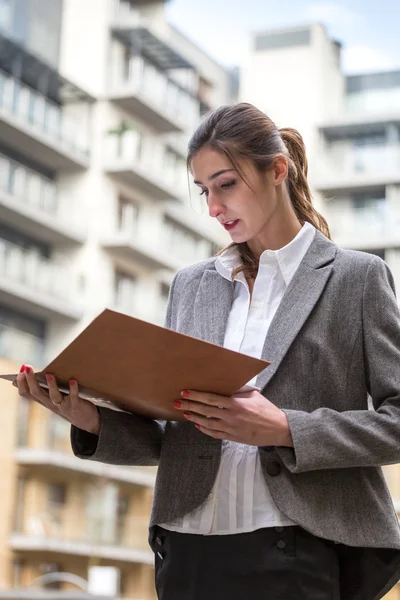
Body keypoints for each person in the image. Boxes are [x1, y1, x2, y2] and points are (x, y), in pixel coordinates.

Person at [15, 102, 400, 600]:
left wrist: (285, 429)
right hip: (187, 549)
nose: (214, 207)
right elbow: (172, 433)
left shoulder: (356, 278)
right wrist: (91, 419)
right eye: (204, 191)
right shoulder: (192, 285)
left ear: (277, 170)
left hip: (294, 547)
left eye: (226, 184)